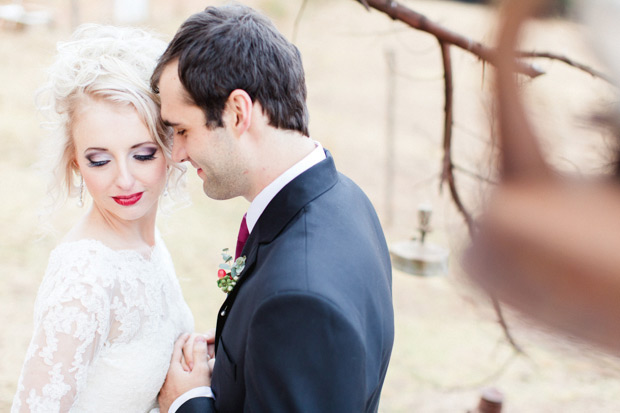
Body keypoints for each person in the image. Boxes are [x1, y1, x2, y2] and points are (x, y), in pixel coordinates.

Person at [151, 4, 394, 413]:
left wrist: (187, 402)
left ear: (237, 112)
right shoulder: (347, 199)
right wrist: (244, 354)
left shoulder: (301, 302)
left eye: (183, 130)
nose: (176, 154)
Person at [11, 24, 194, 412]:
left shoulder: (146, 243)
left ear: (169, 144)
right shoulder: (84, 277)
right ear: (76, 161)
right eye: (100, 159)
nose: (124, 180)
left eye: (142, 154)